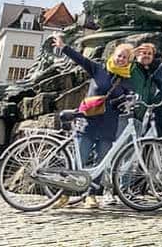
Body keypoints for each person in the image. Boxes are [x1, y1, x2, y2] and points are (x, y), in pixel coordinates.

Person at [51, 35, 134, 208]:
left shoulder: (127, 80)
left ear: (129, 61)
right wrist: (64, 47)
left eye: (125, 57)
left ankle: (91, 195)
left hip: (109, 125)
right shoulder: (99, 69)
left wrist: (125, 102)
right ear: (113, 55)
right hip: (88, 122)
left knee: (100, 163)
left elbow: (124, 102)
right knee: (78, 160)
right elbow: (81, 60)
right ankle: (64, 194)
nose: (121, 59)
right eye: (119, 55)